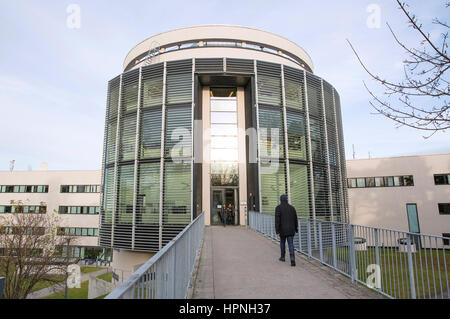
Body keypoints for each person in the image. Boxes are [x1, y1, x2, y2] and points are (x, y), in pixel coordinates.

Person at [275, 194, 298, 267]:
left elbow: (277, 220)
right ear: (287, 199)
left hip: (282, 230)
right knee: (291, 244)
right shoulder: (292, 208)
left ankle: (283, 257)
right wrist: (296, 229)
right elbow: (295, 219)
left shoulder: (278, 208)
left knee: (282, 243)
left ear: (281, 200)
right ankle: (292, 259)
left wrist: (277, 231)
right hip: (291, 230)